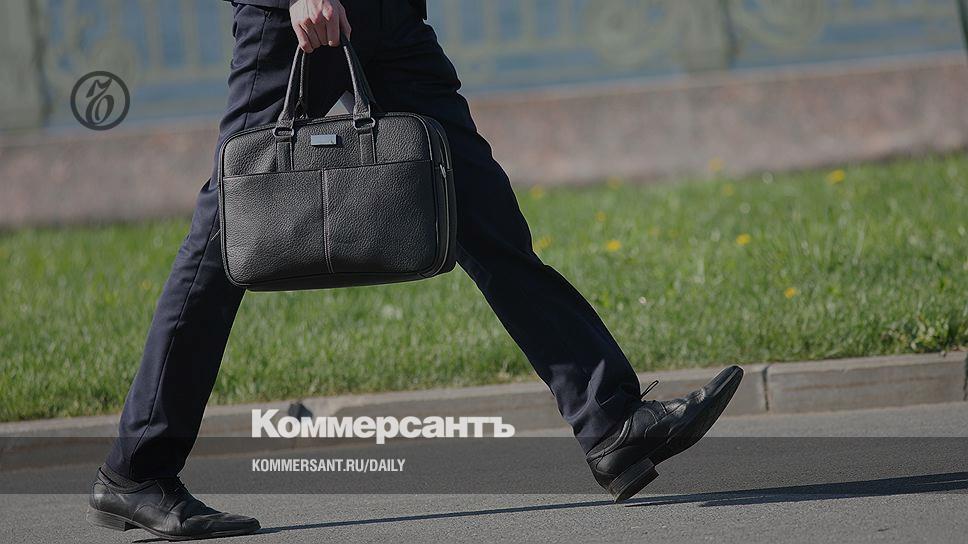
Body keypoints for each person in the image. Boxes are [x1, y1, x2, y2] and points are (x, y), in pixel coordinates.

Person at [87, 0, 744, 539]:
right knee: (226, 231)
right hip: (303, 17)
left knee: (484, 216)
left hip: (392, 18)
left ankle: (611, 419)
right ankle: (138, 468)